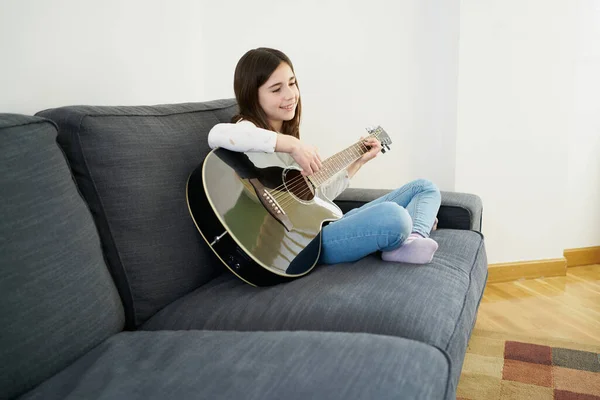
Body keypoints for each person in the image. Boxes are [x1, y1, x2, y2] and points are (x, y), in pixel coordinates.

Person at [208, 47, 441, 265]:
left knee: (424, 187)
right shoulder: (248, 131)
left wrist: (356, 163)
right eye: (277, 89)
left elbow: (315, 198)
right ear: (252, 95)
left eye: (292, 83)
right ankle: (405, 232)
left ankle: (411, 239)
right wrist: (291, 145)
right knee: (394, 217)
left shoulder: (286, 139)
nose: (291, 95)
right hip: (304, 244)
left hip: (322, 227)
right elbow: (216, 134)